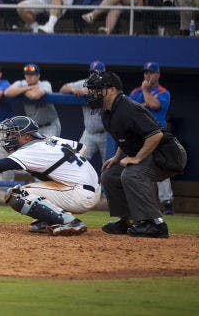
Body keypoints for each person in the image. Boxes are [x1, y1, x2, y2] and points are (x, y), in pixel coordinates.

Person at [0, 115, 100, 236]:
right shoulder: (52, 140)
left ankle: (70, 221)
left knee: (17, 195)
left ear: (27, 136)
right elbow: (82, 148)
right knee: (30, 190)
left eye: (14, 134)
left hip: (79, 194)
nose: (9, 138)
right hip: (86, 188)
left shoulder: (31, 150)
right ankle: (52, 218)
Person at [85, 71, 186, 238]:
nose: (93, 94)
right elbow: (124, 139)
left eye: (97, 90)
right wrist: (117, 158)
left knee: (131, 174)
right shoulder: (107, 112)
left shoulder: (128, 108)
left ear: (111, 90)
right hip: (152, 152)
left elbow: (156, 135)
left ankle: (155, 223)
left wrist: (137, 158)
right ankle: (129, 220)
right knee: (110, 174)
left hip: (169, 154)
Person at [129, 62, 174, 214]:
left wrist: (145, 91)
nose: (148, 75)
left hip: (158, 135)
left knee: (161, 167)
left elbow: (154, 105)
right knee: (137, 169)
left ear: (158, 75)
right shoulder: (135, 92)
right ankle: (142, 204)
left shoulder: (163, 92)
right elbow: (130, 109)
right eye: (146, 73)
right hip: (139, 136)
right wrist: (143, 101)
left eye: (151, 73)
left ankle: (166, 203)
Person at [60, 61, 108, 167]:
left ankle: (106, 184)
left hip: (105, 134)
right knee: (76, 162)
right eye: (92, 73)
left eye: (98, 73)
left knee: (109, 166)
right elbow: (63, 89)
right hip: (89, 133)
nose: (95, 75)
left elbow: (102, 94)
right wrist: (74, 89)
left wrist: (88, 91)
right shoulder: (84, 83)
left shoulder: (109, 85)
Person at [5, 63, 61, 138]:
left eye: (32, 75)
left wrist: (20, 91)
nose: (29, 77)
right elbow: (7, 93)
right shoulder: (22, 84)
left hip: (50, 125)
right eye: (27, 74)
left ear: (38, 76)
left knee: (47, 148)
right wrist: (27, 88)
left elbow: (34, 96)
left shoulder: (45, 84)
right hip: (34, 127)